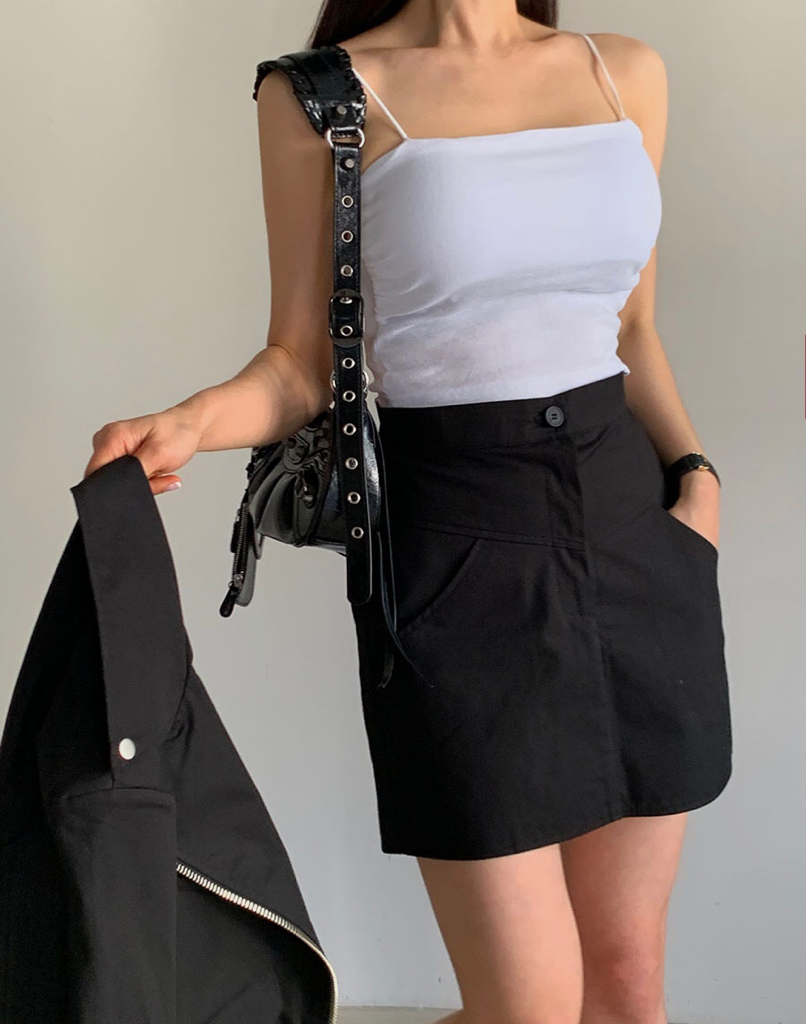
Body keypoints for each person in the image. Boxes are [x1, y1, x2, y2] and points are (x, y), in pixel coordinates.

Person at [85, 3, 733, 1022]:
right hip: (457, 549)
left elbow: (634, 325)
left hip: (631, 528)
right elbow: (299, 364)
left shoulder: (623, 73)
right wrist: (190, 422)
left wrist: (695, 478)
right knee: (528, 1006)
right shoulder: (319, 94)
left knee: (624, 985)